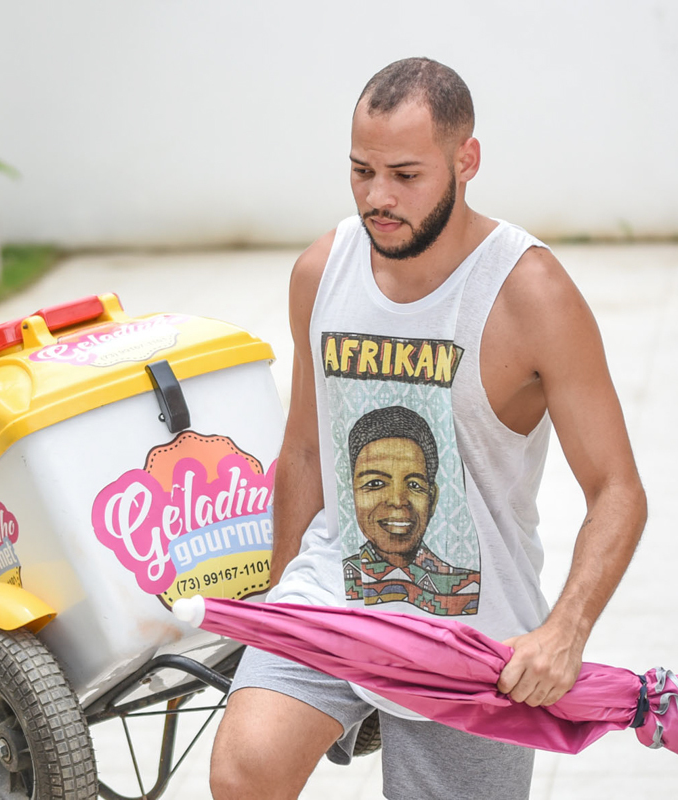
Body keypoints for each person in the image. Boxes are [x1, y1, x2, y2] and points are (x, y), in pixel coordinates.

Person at [209, 57, 647, 800]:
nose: (377, 197)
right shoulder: (322, 271)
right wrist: (280, 604)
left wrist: (564, 631)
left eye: (405, 175)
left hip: (474, 634)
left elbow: (617, 489)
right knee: (243, 773)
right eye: (361, 171)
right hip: (335, 594)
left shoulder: (530, 294)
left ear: (466, 161)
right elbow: (307, 449)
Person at [344, 405, 480, 616]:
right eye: (375, 483)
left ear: (432, 499)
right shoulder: (331, 581)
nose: (398, 501)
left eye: (415, 485)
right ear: (351, 494)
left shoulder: (467, 589)